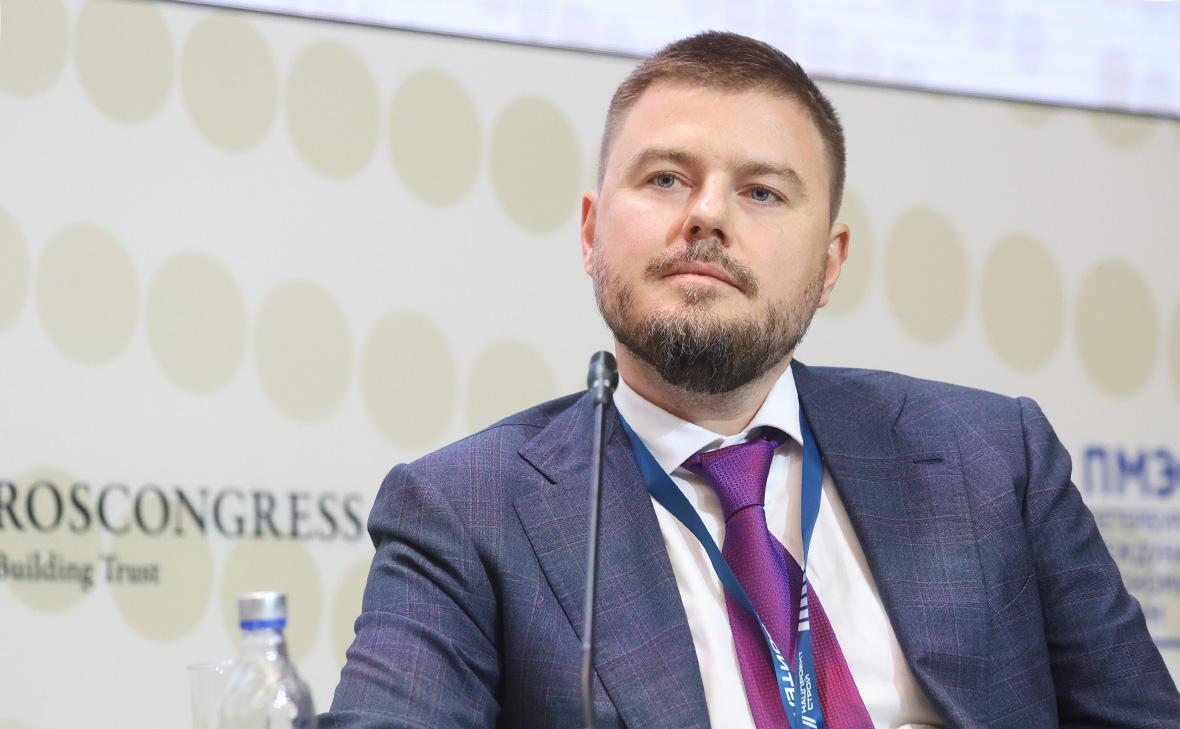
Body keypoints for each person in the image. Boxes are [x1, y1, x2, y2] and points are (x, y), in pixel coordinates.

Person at [322, 32, 1180, 728]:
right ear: (590, 233)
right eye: (666, 179)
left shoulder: (994, 460)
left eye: (763, 192)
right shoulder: (467, 510)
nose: (707, 215)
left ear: (830, 262)